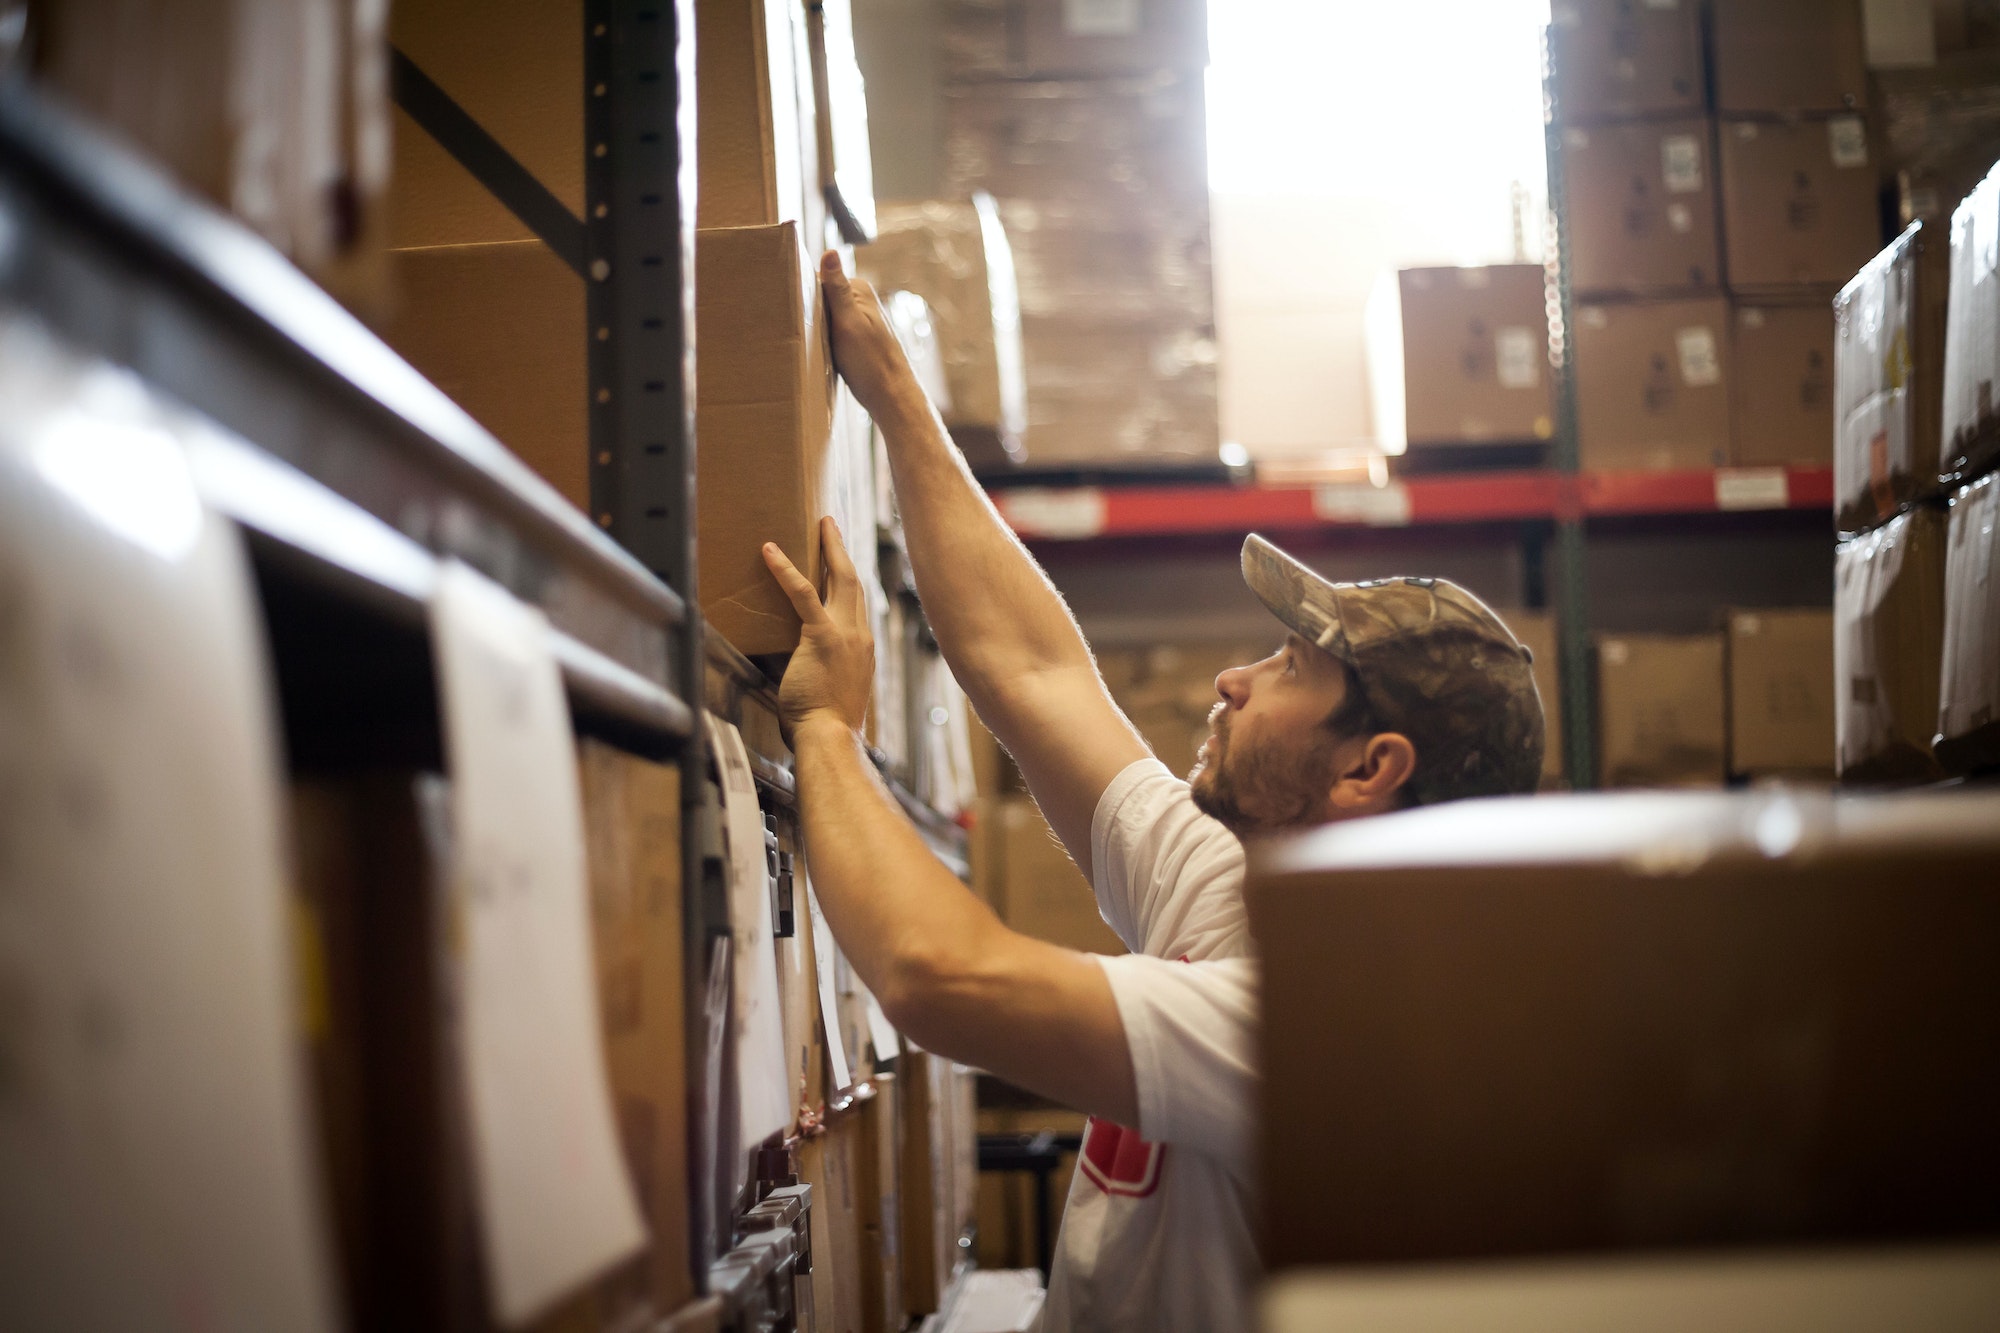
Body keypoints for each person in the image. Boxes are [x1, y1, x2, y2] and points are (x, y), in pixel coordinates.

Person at [757, 252, 1547, 1333]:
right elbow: (1030, 669)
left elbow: (937, 977)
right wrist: (893, 390)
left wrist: (823, 734)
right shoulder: (1232, 877)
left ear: (1369, 769)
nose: (1232, 679)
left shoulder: (1330, 1022)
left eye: (1288, 673)